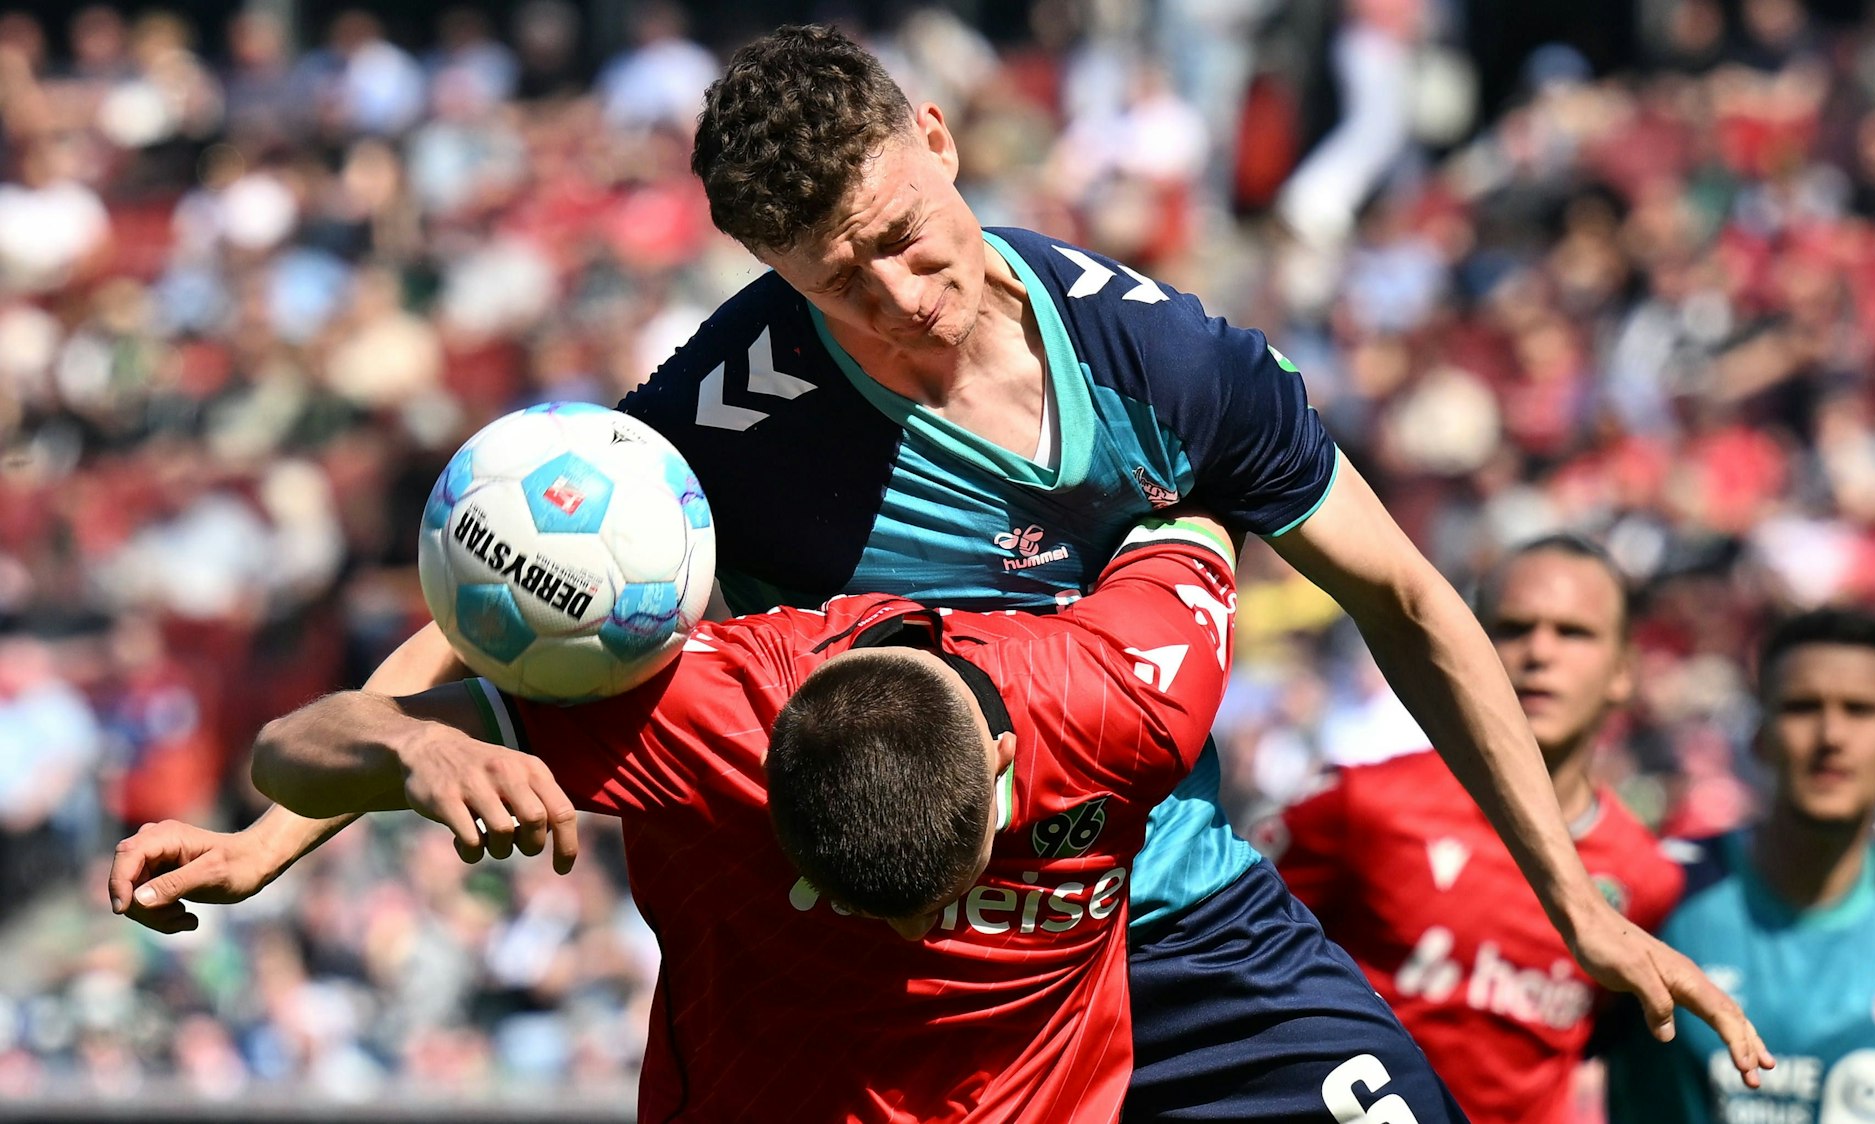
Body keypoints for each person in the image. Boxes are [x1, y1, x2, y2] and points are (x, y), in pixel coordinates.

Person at [111, 25, 1768, 1120]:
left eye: (913, 230)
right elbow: (498, 615)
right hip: (908, 961)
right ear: (773, 272)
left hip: (1151, 902)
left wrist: (1572, 907)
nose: (907, 289)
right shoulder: (722, 417)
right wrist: (272, 839)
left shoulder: (1166, 367)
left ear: (939, 137)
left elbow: (1404, 598)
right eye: (844, 276)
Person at [231, 516, 1234, 1122]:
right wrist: (418, 744)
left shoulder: (1130, 694)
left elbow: (1209, 488)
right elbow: (290, 743)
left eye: (941, 893)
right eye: (852, 901)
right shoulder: (701, 714)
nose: (914, 938)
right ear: (763, 776)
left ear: (1004, 763)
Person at [1263, 535, 1684, 1123]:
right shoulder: (1362, 804)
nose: (1540, 651)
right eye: (1512, 629)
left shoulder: (1649, 878)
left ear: (1622, 672)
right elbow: (1237, 959)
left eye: (1573, 633)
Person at [1605, 609, 1875, 1123]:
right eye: (1802, 707)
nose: (1831, 735)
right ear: (1759, 740)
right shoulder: (1663, 889)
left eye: (1859, 710)